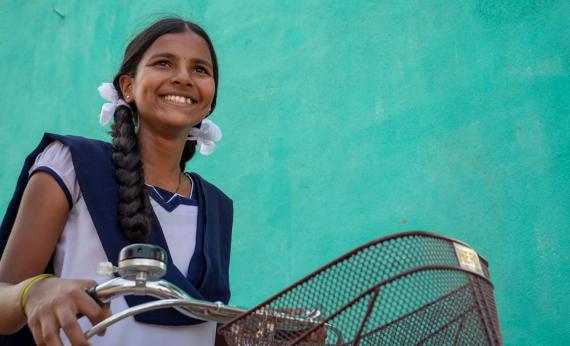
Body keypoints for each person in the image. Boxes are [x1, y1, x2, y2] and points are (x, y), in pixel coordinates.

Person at [0, 17, 233, 346]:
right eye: (164, 63)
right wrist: (32, 291)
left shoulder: (216, 206)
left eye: (200, 69)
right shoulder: (71, 165)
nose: (183, 77)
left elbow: (193, 324)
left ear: (209, 99)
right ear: (127, 86)